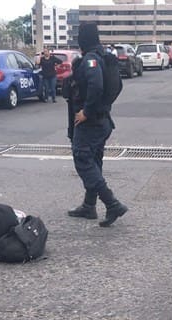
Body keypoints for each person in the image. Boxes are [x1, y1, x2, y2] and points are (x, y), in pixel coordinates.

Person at [66, 22, 128, 227]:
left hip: (91, 122)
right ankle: (89, 205)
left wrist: (87, 111)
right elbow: (118, 86)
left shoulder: (91, 59)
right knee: (94, 161)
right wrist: (103, 107)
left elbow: (96, 85)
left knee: (83, 159)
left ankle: (111, 203)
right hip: (102, 121)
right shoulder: (103, 56)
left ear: (83, 39)